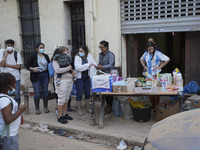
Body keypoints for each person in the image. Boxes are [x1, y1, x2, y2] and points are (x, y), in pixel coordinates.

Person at [0, 73, 26, 150]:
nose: (15, 85)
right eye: (14, 83)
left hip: (7, 135)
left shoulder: (4, 98)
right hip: (8, 136)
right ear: (9, 87)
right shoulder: (5, 100)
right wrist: (20, 110)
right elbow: (8, 119)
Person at [140, 41, 170, 108]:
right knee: (150, 92)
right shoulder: (145, 54)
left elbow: (167, 59)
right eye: (149, 49)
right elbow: (141, 60)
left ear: (154, 48)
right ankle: (152, 106)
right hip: (148, 76)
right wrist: (144, 66)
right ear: (147, 49)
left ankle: (157, 107)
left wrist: (160, 66)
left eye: (151, 49)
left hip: (156, 75)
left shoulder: (158, 54)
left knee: (156, 92)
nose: (150, 50)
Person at [26, 43, 51, 114]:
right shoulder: (33, 56)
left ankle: (45, 107)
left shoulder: (45, 56)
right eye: (40, 47)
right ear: (36, 48)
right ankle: (37, 108)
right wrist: (33, 69)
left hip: (45, 75)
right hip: (36, 76)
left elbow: (49, 66)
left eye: (43, 47)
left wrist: (50, 76)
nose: (42, 49)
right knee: (37, 92)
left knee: (45, 91)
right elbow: (27, 65)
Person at [53, 46, 74, 124]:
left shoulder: (66, 58)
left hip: (69, 80)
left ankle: (65, 114)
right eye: (65, 51)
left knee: (66, 98)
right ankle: (60, 116)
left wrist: (71, 72)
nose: (67, 52)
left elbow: (70, 68)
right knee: (61, 99)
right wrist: (68, 68)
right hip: (61, 82)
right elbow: (58, 70)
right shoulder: (56, 60)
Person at [75, 45, 96, 116]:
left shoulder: (89, 56)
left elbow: (94, 64)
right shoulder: (77, 57)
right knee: (79, 93)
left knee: (87, 93)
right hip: (79, 77)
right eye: (79, 51)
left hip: (87, 77)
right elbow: (78, 68)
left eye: (82, 51)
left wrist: (89, 66)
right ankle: (79, 109)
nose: (80, 52)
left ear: (85, 52)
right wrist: (87, 65)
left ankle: (87, 108)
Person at [0, 39, 22, 105]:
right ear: (6, 46)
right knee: (6, 93)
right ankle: (9, 107)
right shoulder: (2, 53)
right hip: (5, 77)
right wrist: (5, 56)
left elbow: (18, 66)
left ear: (13, 46)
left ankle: (17, 107)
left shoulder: (17, 54)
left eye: (11, 45)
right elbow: (1, 65)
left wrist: (6, 65)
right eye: (8, 45)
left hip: (15, 76)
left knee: (16, 93)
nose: (10, 47)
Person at [95, 40, 115, 114]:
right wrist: (97, 66)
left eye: (102, 47)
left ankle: (109, 106)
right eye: (100, 47)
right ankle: (107, 106)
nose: (101, 48)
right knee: (104, 91)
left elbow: (111, 65)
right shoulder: (100, 54)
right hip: (102, 75)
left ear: (106, 47)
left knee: (109, 92)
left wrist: (102, 66)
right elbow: (99, 63)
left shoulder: (110, 54)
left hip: (109, 75)